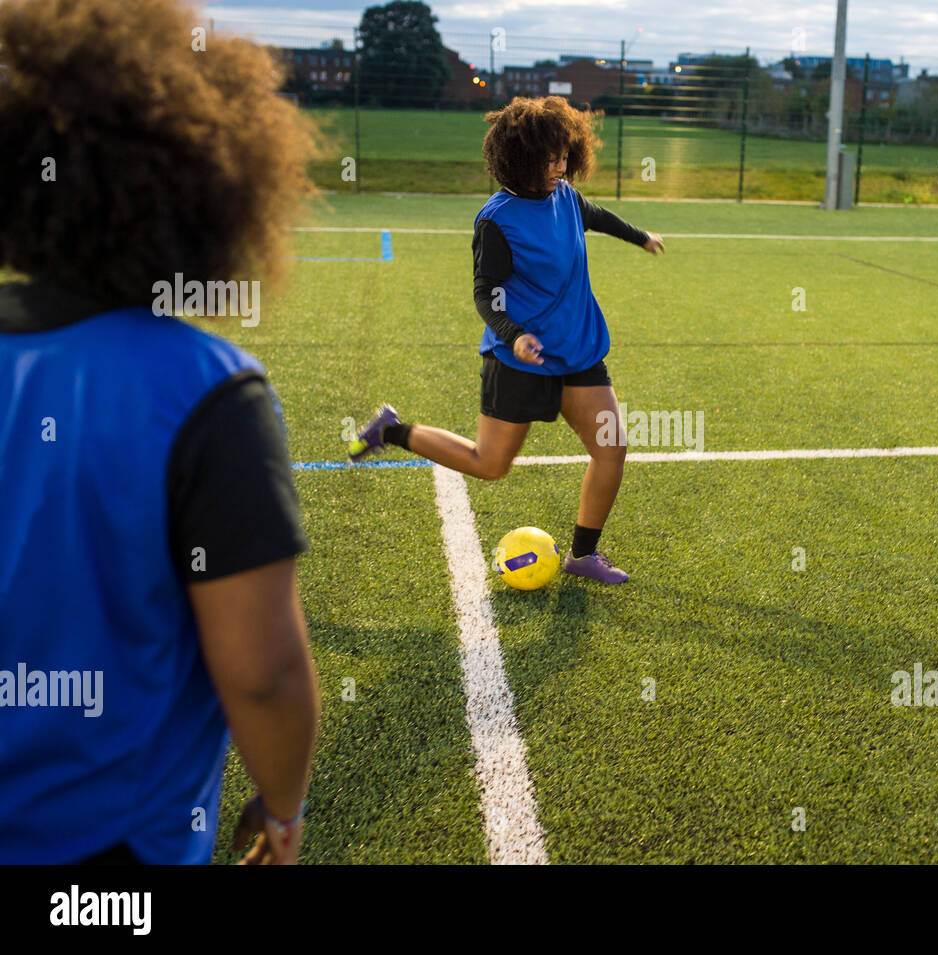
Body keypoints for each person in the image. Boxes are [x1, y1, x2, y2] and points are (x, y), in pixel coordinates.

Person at [0, 0, 320, 863]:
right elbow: (263, 672)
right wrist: (281, 807)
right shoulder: (206, 390)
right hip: (109, 857)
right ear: (213, 179)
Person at [348, 96, 665, 585]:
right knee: (489, 465)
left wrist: (639, 235)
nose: (560, 167)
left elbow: (596, 216)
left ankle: (583, 555)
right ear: (518, 160)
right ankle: (390, 431)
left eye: (564, 156)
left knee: (612, 448)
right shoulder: (496, 219)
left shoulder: (565, 196)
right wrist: (514, 337)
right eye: (549, 159)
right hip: (519, 360)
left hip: (578, 351)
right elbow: (485, 293)